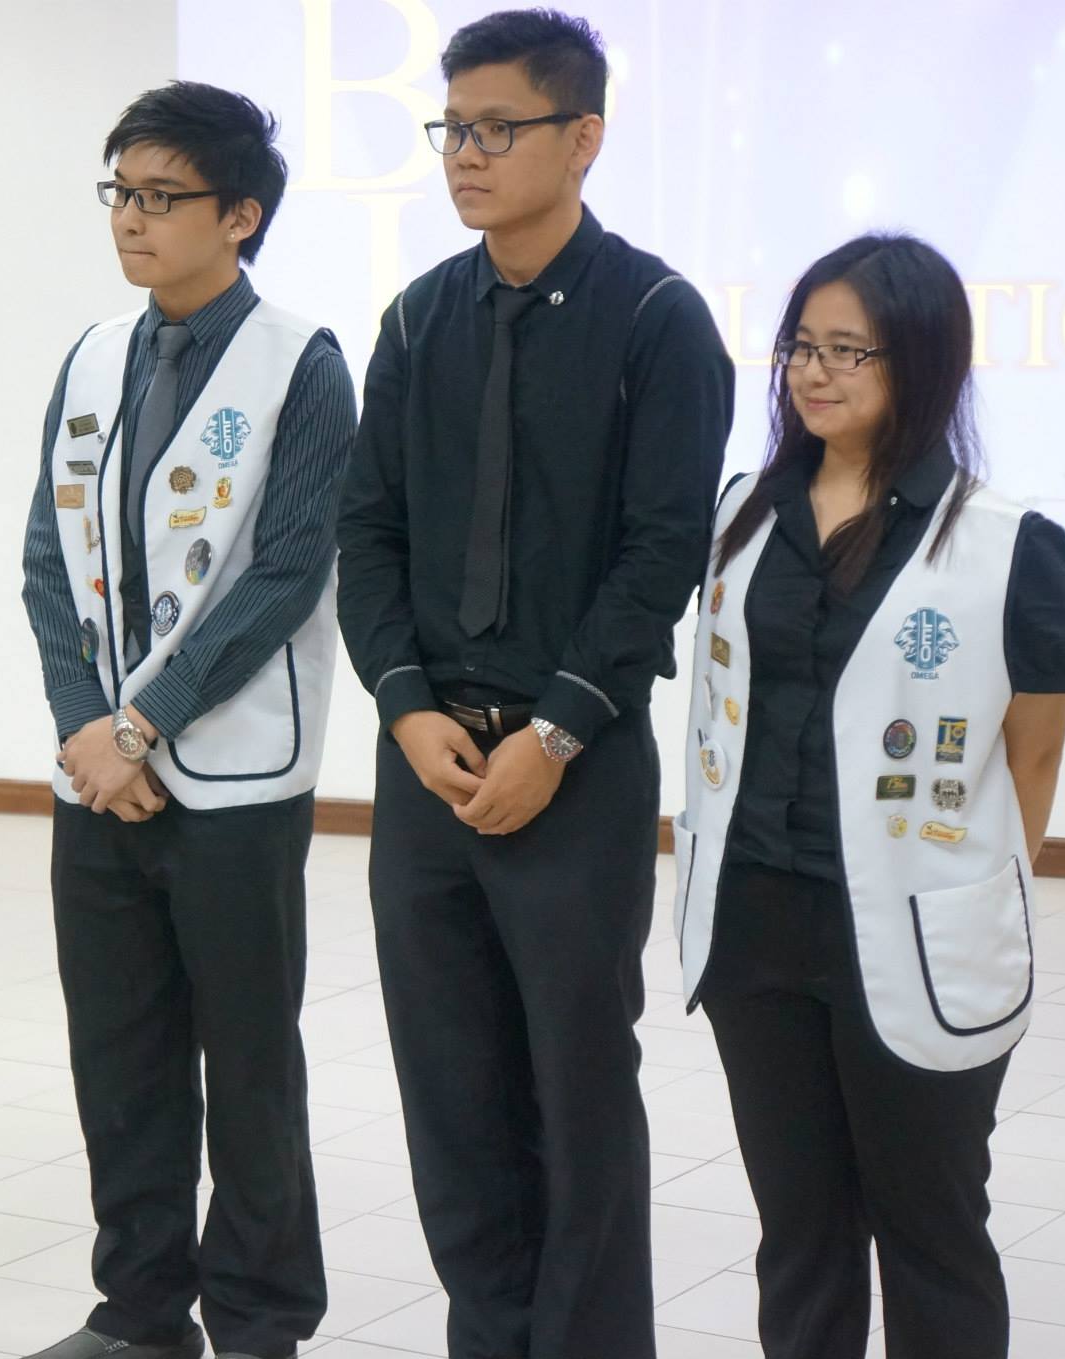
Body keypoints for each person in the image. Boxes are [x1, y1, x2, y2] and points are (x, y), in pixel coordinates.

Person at [334, 10, 736, 1357]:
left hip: (575, 762)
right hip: (429, 763)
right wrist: (405, 706)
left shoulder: (657, 320)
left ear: (583, 138)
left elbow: (660, 552)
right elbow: (367, 530)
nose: (465, 153)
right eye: (452, 128)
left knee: (576, 1089)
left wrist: (554, 733)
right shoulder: (417, 319)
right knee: (450, 1095)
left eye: (496, 128)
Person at [672, 232, 1065, 1359]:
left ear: (922, 362)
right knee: (798, 1232)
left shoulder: (1008, 546)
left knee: (929, 1230)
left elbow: (1033, 760)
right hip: (756, 922)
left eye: (847, 350)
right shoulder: (740, 513)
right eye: (800, 346)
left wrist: (968, 889)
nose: (814, 372)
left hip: (911, 931)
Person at [17, 81, 356, 1359]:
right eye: (120, 192)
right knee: (119, 1060)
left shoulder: (300, 364)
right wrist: (83, 731)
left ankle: (261, 1320)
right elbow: (46, 561)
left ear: (240, 215)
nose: (131, 219)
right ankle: (140, 1313)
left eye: (162, 197)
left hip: (231, 779)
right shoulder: (93, 356)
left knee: (247, 1064)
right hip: (97, 777)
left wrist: (140, 724)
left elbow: (285, 571)